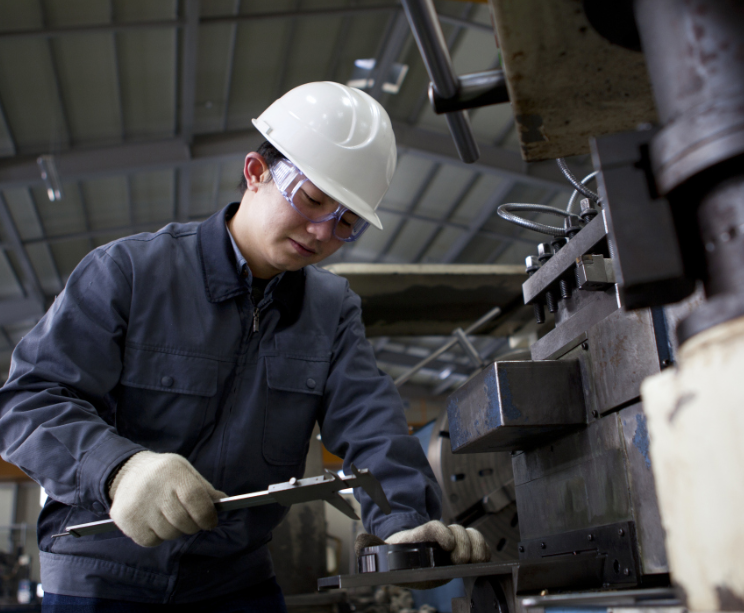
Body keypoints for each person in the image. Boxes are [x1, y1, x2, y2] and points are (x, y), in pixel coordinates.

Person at [0, 82, 489, 610]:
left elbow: (372, 424)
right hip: (102, 573)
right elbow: (29, 400)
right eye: (311, 198)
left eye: (345, 220)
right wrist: (120, 469)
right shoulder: (130, 273)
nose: (321, 232)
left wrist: (404, 524)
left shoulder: (330, 309)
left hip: (233, 579)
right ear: (256, 172)